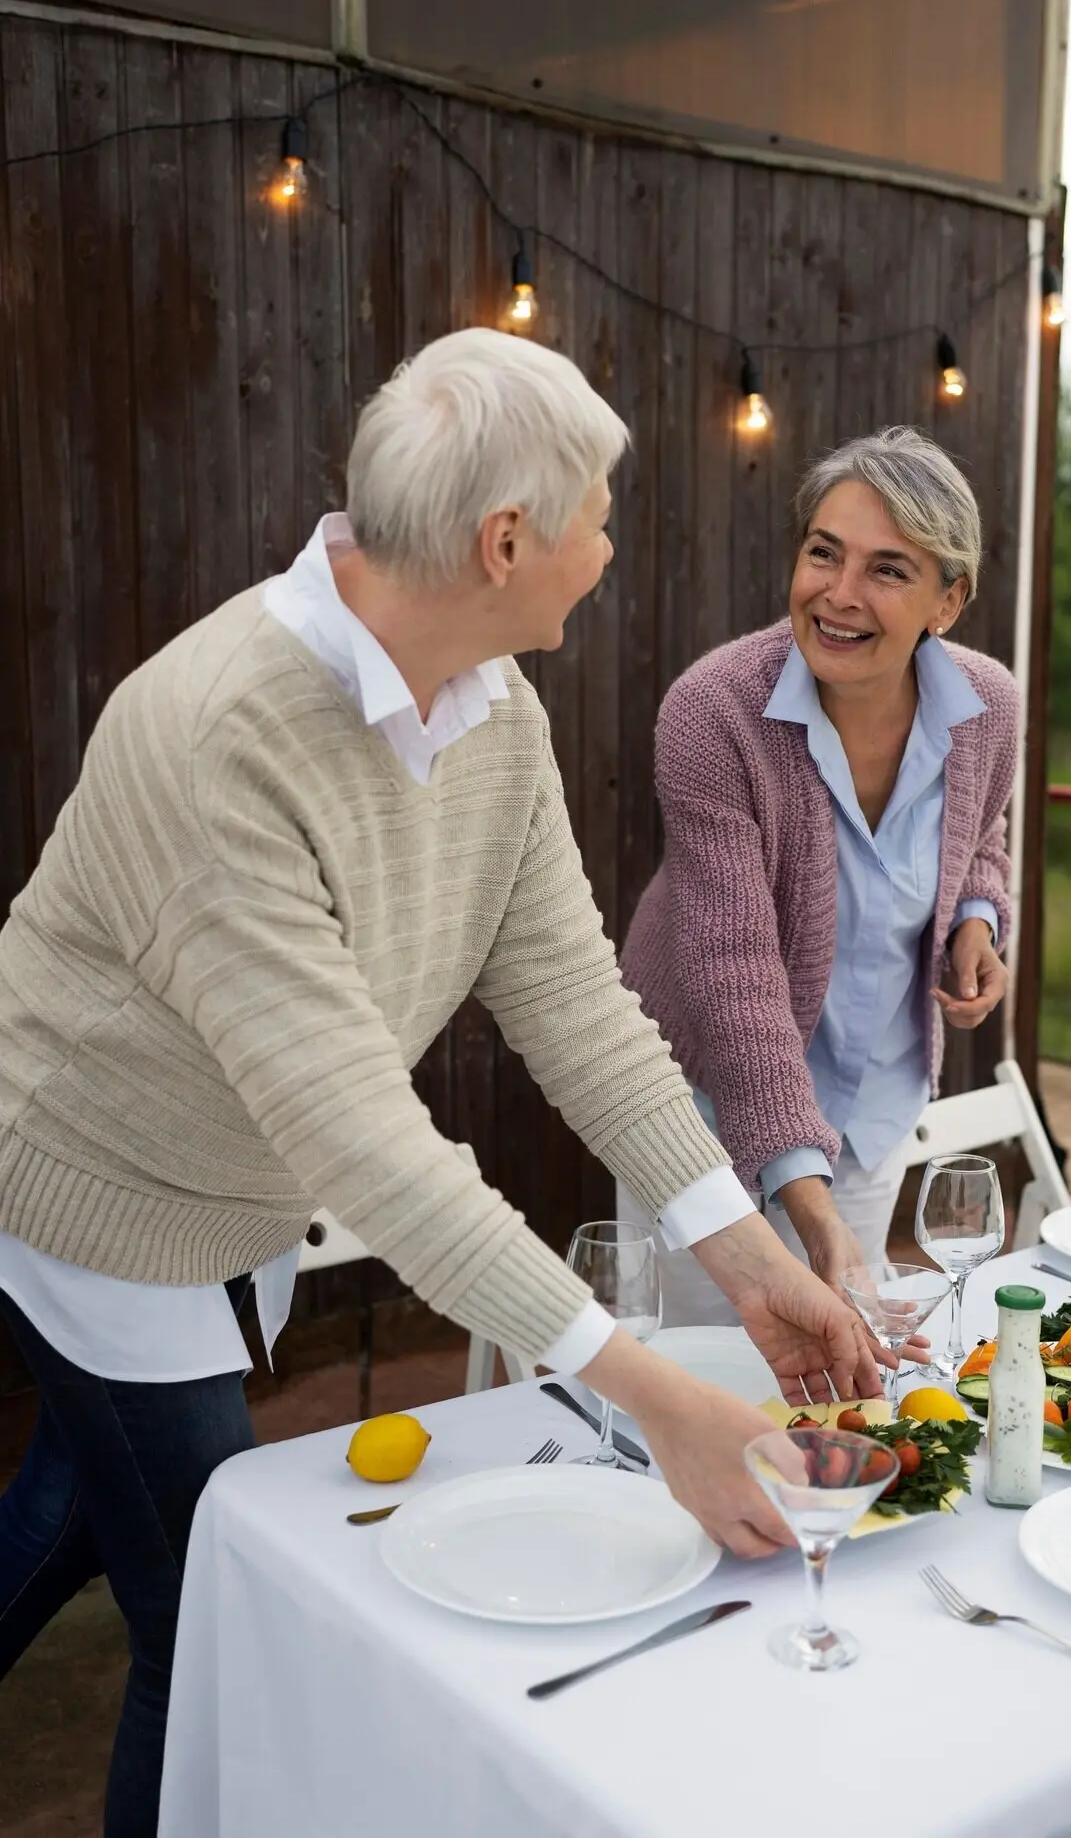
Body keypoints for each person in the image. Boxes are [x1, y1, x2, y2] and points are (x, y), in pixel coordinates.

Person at [0, 331, 883, 1836]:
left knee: (77, 1509)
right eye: (600, 515)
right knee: (197, 1609)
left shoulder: (491, 704)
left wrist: (735, 1251)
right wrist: (655, 1396)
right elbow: (370, 1143)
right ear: (504, 542)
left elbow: (576, 1005)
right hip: (102, 1194)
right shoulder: (218, 732)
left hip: (233, 1191)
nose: (610, 548)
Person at [619, 425, 1019, 1322]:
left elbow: (979, 838)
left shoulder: (987, 707)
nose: (838, 596)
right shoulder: (712, 712)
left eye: (887, 570)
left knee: (833, 1386)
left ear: (946, 602)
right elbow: (733, 976)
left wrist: (977, 920)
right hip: (699, 1102)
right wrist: (807, 1204)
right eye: (822, 554)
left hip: (871, 1096)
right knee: (710, 1376)